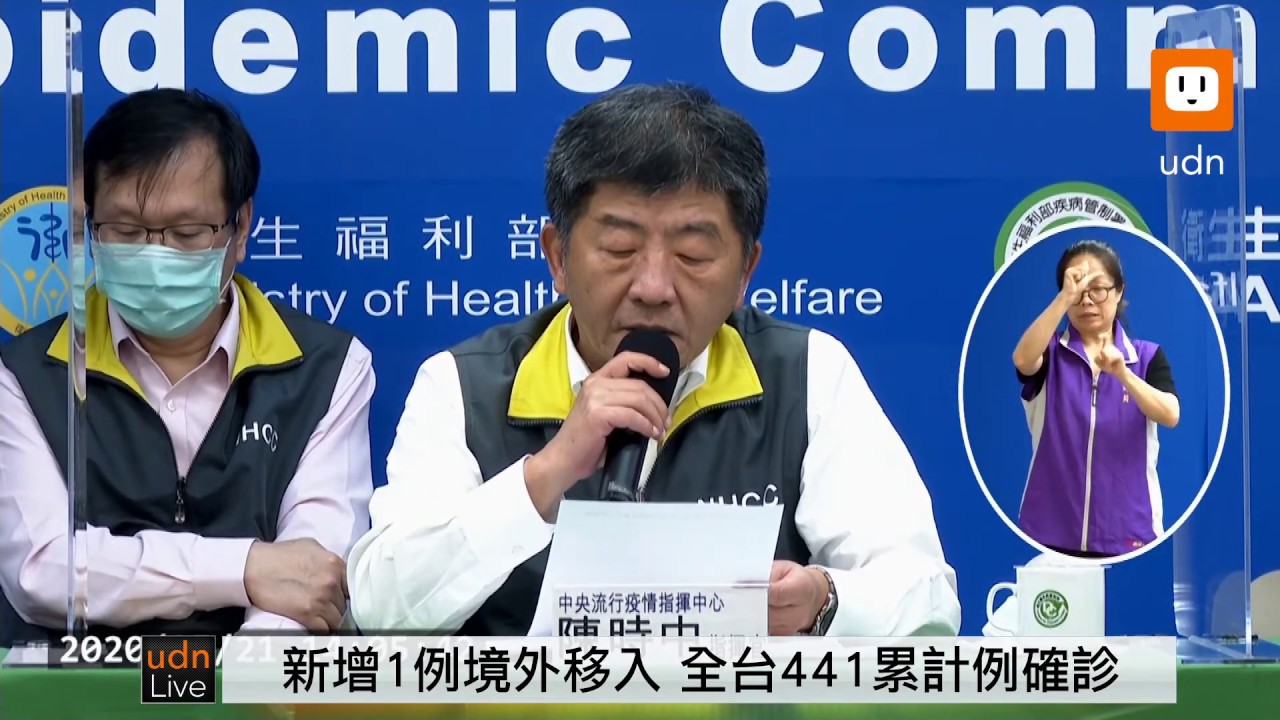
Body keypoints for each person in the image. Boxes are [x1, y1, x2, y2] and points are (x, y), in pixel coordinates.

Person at [347, 83, 960, 637]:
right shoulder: (464, 384)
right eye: (619, 247)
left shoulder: (807, 373)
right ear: (557, 257)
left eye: (692, 255)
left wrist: (825, 601)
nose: (653, 286)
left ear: (745, 272)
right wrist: (545, 476)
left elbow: (926, 599)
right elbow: (379, 607)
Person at [0, 88, 375, 646]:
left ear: (240, 227)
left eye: (186, 233)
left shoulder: (329, 370)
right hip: (81, 688)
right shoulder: (25, 375)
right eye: (125, 231)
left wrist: (232, 683)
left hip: (253, 685)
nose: (155, 256)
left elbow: (312, 578)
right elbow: (44, 570)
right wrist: (243, 568)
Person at [1011, 239, 1179, 559]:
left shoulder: (1146, 357)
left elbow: (1170, 414)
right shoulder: (1050, 353)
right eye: (1077, 289)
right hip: (1050, 531)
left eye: (1098, 289)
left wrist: (1123, 374)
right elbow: (1022, 359)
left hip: (1128, 532)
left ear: (1118, 291)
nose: (1087, 300)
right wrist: (1064, 297)